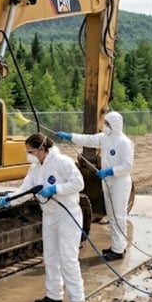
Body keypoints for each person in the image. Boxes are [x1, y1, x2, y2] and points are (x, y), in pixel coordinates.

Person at [0, 133, 86, 302]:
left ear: (41, 149)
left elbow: (79, 183)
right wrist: (9, 199)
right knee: (51, 257)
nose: (28, 154)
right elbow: (25, 190)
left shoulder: (63, 162)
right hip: (49, 216)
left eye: (30, 151)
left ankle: (77, 300)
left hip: (67, 215)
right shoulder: (35, 168)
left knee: (68, 258)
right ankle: (54, 295)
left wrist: (56, 189)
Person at [56, 111, 134, 262]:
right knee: (111, 215)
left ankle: (118, 250)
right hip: (108, 182)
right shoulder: (105, 138)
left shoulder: (124, 142)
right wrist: (70, 136)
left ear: (115, 125)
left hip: (120, 183)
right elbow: (87, 139)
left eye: (107, 124)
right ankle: (117, 246)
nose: (105, 126)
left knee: (118, 216)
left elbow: (127, 166)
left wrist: (111, 171)